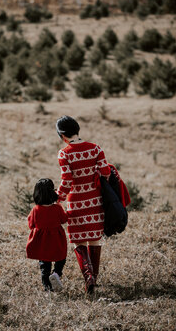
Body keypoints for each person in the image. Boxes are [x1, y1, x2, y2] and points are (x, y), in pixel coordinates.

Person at [56, 115, 111, 294]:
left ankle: (88, 277)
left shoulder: (64, 153)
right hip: (95, 201)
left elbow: (67, 180)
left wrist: (58, 198)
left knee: (78, 241)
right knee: (94, 240)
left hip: (76, 203)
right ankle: (94, 277)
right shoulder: (96, 149)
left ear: (63, 136)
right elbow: (105, 172)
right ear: (78, 130)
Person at [26, 178, 68, 292]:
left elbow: (31, 224)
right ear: (52, 192)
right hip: (57, 239)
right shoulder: (57, 208)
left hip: (42, 242)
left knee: (45, 263)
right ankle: (56, 273)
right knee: (61, 258)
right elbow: (64, 219)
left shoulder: (35, 210)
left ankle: (47, 286)